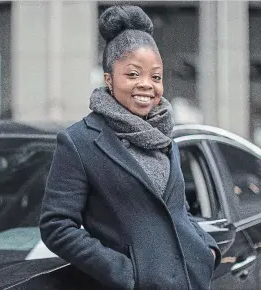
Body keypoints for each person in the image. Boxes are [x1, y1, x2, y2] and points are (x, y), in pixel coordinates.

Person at [40, 5, 221, 290]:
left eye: (156, 77)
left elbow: (178, 209)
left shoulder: (163, 135)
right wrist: (125, 273)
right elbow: (57, 227)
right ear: (109, 79)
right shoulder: (80, 141)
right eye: (133, 74)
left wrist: (206, 249)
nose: (147, 85)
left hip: (190, 280)